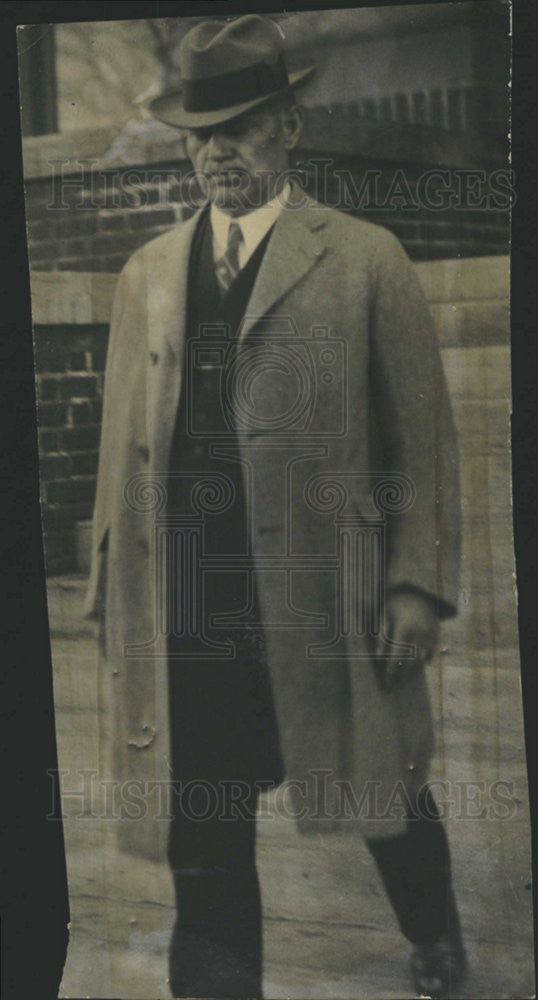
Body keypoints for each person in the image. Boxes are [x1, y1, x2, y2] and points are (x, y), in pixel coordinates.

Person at [85, 13, 466, 999]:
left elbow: (419, 440)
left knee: (381, 791)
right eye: (201, 131)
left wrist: (415, 581)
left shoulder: (363, 259)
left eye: (242, 125)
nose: (218, 149)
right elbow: (118, 445)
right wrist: (106, 585)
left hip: (323, 592)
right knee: (204, 829)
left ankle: (433, 932)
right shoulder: (148, 275)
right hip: (192, 608)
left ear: (288, 128)